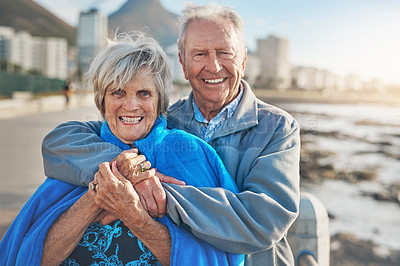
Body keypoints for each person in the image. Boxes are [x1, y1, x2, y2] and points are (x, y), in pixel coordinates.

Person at [41, 3, 301, 265]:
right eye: (199, 54)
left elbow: (263, 221)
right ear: (183, 64)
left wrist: (160, 194)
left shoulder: (277, 128)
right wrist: (130, 171)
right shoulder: (161, 122)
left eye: (225, 52)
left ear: (243, 60)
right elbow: (61, 141)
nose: (213, 66)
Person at [0, 32, 244, 265]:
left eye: (144, 93)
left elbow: (221, 255)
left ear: (159, 101)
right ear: (102, 100)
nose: (131, 105)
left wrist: (134, 215)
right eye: (118, 92)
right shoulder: (80, 150)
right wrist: (96, 196)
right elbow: (33, 257)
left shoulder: (191, 155)